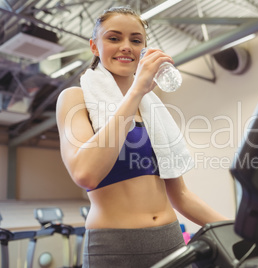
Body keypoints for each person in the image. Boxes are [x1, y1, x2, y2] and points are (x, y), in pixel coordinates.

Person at [56, 6, 228, 268]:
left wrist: (239, 231)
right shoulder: (75, 98)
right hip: (114, 246)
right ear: (94, 46)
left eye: (136, 40)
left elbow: (180, 195)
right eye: (114, 38)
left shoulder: (153, 108)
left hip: (170, 241)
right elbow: (85, 174)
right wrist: (135, 91)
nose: (126, 46)